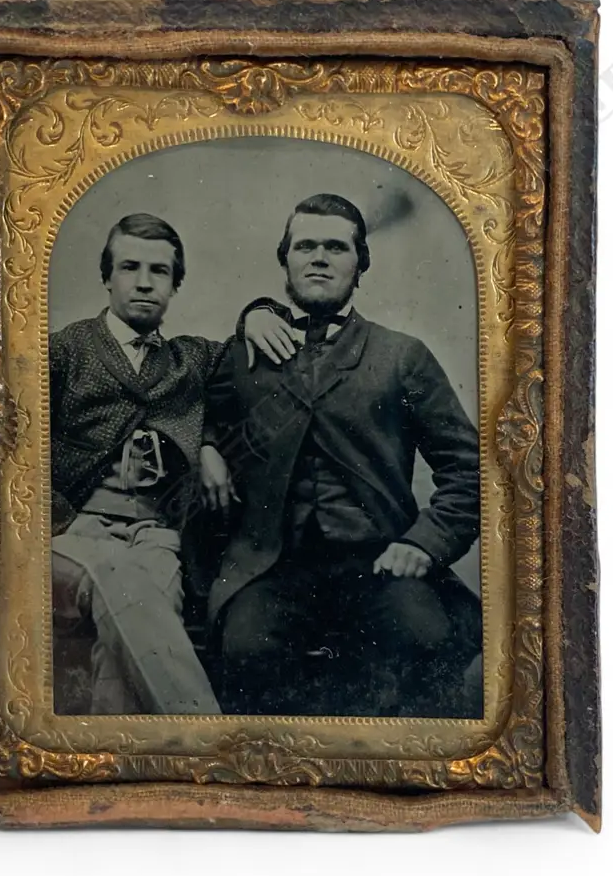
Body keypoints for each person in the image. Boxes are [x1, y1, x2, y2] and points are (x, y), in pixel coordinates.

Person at [200, 194, 482, 717]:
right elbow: (189, 410)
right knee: (245, 651)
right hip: (272, 567)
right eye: (305, 246)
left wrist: (423, 543)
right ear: (284, 260)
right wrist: (206, 447)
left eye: (336, 246)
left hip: (378, 561)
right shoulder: (244, 355)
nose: (320, 258)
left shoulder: (402, 356)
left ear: (360, 263)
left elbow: (470, 468)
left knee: (426, 639)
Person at [49, 212, 290, 716]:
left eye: (159, 272)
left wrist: (261, 312)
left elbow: (240, 345)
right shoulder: (66, 349)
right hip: (70, 535)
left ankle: (114, 770)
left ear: (175, 285)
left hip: (156, 535)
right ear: (107, 278)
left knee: (136, 624)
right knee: (130, 589)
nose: (143, 282)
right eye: (129, 267)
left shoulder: (188, 360)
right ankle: (206, 737)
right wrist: (57, 523)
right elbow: (16, 453)